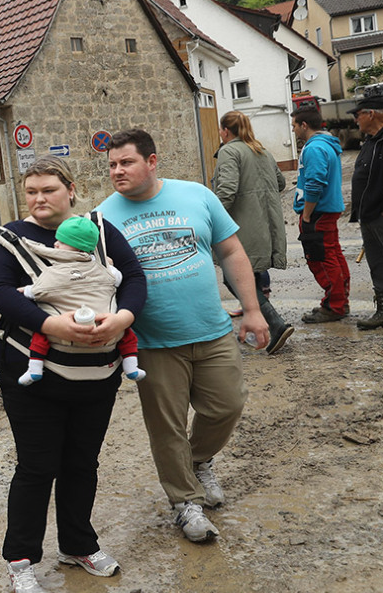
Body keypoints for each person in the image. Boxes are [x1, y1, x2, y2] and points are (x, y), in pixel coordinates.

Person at [0, 157, 147, 592]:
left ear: (70, 190)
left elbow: (133, 276)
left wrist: (123, 318)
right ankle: (20, 560)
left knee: (82, 462)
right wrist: (50, 325)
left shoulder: (98, 231)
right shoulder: (9, 240)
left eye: (48, 190)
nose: (39, 199)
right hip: (30, 371)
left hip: (98, 371)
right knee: (37, 466)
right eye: (31, 191)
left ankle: (78, 545)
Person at [96, 128, 268, 544]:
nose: (117, 171)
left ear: (152, 162)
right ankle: (185, 502)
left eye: (126, 162)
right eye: (112, 165)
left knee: (227, 405)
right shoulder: (101, 218)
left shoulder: (197, 196)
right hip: (151, 342)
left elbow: (231, 251)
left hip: (211, 330)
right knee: (166, 428)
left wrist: (252, 309)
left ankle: (199, 459)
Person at [0, 215, 145, 385]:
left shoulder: (55, 271)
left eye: (62, 242)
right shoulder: (103, 267)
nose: (55, 244)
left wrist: (25, 291)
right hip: (101, 319)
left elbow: (41, 290)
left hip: (66, 324)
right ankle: (131, 367)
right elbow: (118, 279)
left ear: (79, 246)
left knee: (40, 335)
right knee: (126, 334)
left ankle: (34, 368)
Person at [213, 111, 294, 354]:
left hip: (242, 226)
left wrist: (210, 218)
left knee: (233, 276)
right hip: (265, 224)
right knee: (253, 276)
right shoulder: (262, 150)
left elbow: (227, 190)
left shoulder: (229, 151)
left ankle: (275, 324)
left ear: (225, 131)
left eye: (220, 130)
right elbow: (281, 183)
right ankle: (261, 331)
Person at [291, 107, 349, 323]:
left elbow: (315, 183)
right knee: (333, 255)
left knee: (321, 258)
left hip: (318, 212)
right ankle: (339, 301)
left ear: (304, 125)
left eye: (294, 125)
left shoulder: (314, 148)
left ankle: (334, 306)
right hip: (327, 210)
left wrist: (306, 214)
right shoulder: (326, 145)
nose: (293, 130)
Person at [349, 93, 383, 329]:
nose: (356, 120)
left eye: (358, 115)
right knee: (378, 265)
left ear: (371, 114)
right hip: (369, 216)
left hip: (382, 215)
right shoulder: (372, 141)